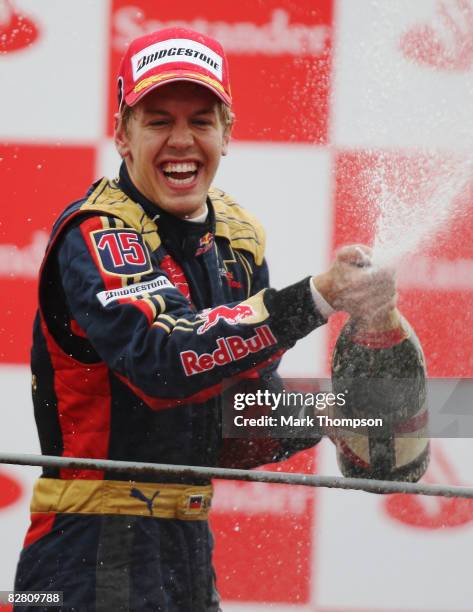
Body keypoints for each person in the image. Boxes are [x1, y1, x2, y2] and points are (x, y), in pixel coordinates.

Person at [14, 27, 424, 611]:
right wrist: (317, 297)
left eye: (201, 121)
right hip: (86, 553)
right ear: (122, 135)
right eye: (158, 120)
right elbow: (164, 364)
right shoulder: (97, 233)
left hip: (186, 548)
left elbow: (226, 422)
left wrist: (334, 412)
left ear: (227, 133)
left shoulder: (236, 237)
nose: (181, 141)